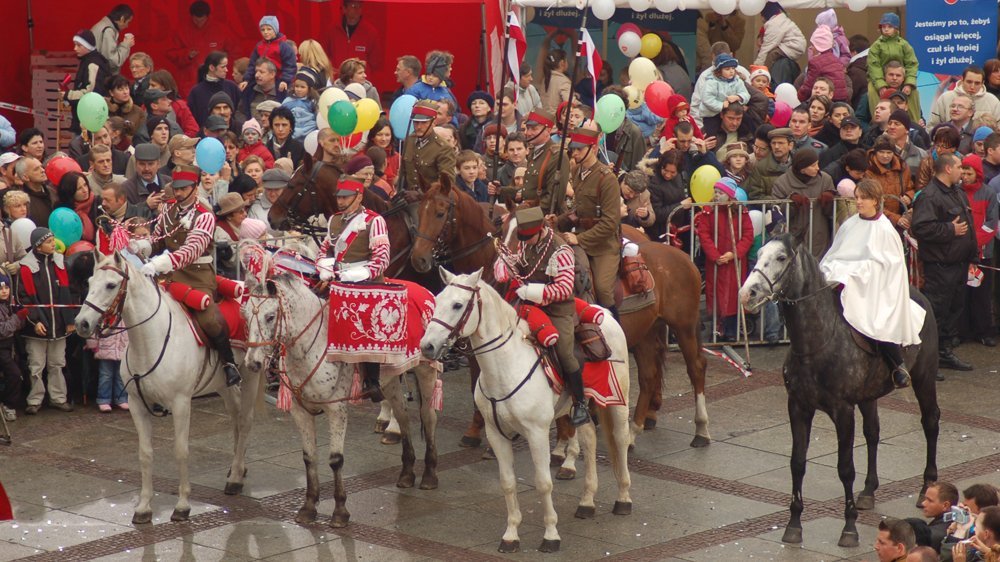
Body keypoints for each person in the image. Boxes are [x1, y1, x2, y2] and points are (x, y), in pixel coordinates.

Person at [819, 178, 926, 388]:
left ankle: (898, 364)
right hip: (844, 280)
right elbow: (836, 253)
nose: (858, 202)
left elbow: (888, 266)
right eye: (857, 197)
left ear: (876, 200)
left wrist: (854, 273)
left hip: (875, 287)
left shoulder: (884, 230)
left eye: (864, 198)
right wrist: (833, 270)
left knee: (876, 320)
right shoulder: (850, 224)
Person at [143, 166, 241, 387]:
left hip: (198, 275)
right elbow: (157, 239)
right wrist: (141, 246)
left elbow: (191, 250)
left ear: (194, 188)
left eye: (183, 189)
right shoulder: (168, 213)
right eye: (175, 189)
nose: (177, 193)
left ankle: (229, 363)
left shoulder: (205, 216)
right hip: (170, 275)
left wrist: (160, 263)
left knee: (209, 319)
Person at [494, 206, 588, 426]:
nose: (526, 242)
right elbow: (522, 264)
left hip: (557, 310)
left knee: (564, 352)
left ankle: (580, 402)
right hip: (529, 305)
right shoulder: (527, 242)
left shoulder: (561, 250)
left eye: (530, 237)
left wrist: (535, 292)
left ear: (542, 229)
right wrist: (507, 265)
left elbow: (565, 288)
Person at [316, 176, 390, 402]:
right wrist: (324, 268)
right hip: (337, 277)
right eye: (338, 197)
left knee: (367, 323)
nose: (340, 201)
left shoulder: (374, 221)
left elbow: (382, 258)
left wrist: (359, 275)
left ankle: (372, 381)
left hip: (365, 281)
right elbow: (324, 249)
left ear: (359, 197)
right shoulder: (334, 220)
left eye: (345, 197)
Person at [912, 153, 978, 372]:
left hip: (958, 264)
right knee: (936, 314)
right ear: (948, 169)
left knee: (953, 312)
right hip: (940, 266)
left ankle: (944, 352)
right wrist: (950, 229)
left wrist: (972, 256)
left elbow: (968, 224)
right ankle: (926, 360)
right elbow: (921, 228)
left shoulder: (956, 191)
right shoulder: (929, 196)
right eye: (959, 166)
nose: (963, 170)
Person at [553, 125, 621, 312]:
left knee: (603, 289)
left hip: (604, 245)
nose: (574, 153)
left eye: (579, 149)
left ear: (594, 148)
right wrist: (557, 221)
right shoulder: (576, 173)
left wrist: (579, 238)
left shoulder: (607, 179)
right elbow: (578, 210)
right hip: (580, 237)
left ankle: (614, 330)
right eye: (573, 149)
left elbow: (610, 223)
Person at [16, 228, 76, 414]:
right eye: (49, 241)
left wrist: (69, 320)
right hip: (38, 326)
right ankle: (35, 399)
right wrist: (35, 322)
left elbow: (67, 292)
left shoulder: (60, 262)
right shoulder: (26, 268)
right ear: (38, 245)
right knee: (36, 365)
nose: (53, 244)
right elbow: (24, 298)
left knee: (57, 363)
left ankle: (58, 398)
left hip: (58, 325)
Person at [696, 179, 753, 341]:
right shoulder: (708, 211)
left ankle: (732, 330)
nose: (716, 195)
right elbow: (704, 234)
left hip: (735, 262)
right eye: (715, 192)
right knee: (716, 295)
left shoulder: (741, 212)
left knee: (734, 295)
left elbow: (748, 235)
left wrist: (735, 253)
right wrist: (715, 255)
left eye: (720, 193)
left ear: (729, 196)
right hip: (716, 262)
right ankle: (717, 328)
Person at [772, 147, 836, 259]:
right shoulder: (782, 183)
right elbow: (777, 213)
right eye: (813, 165)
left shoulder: (825, 179)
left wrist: (830, 199)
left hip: (819, 232)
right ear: (802, 169)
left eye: (817, 164)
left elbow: (833, 212)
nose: (817, 168)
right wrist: (790, 202)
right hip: (794, 234)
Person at [165, 1, 235, 96]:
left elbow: (234, 53)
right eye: (195, 20)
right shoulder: (181, 30)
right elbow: (170, 53)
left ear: (207, 16)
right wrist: (187, 55)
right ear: (191, 16)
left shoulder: (221, 30)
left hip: (216, 79)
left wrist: (223, 61)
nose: (199, 24)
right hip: (189, 80)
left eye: (202, 20)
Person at [867, 12, 921, 127]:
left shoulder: (904, 45)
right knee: (871, 91)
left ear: (896, 28)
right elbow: (873, 65)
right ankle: (877, 122)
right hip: (880, 79)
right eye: (883, 26)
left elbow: (912, 64)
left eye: (890, 26)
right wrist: (880, 84)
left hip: (901, 78)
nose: (886, 29)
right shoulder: (876, 46)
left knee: (914, 92)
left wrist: (909, 83)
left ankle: (914, 124)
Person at [397, 100, 456, 192]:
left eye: (424, 123)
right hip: (408, 196)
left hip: (432, 200)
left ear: (433, 123)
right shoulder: (409, 140)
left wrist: (420, 194)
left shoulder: (443, 148)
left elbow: (447, 183)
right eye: (416, 122)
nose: (419, 126)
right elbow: (403, 173)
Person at [64, 30, 112, 133]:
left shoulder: (92, 64)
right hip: (88, 118)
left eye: (79, 45)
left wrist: (68, 95)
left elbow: (91, 94)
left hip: (90, 120)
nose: (75, 48)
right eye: (75, 45)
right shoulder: (88, 61)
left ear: (88, 46)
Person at [930, 66, 1000, 130]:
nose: (972, 86)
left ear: (982, 83)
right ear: (962, 80)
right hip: (950, 142)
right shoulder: (945, 98)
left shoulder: (993, 101)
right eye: (969, 82)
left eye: (977, 83)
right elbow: (932, 126)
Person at [753, 2, 806, 85]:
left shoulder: (774, 24)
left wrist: (756, 69)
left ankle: (764, 78)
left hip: (792, 46)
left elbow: (766, 47)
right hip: (794, 46)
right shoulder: (780, 20)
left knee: (770, 55)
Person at [187, 52, 242, 128]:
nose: (226, 70)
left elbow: (241, 111)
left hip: (231, 135)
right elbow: (192, 119)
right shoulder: (196, 92)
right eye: (223, 67)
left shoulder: (232, 87)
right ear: (212, 68)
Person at [798, 26, 850, 103]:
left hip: (826, 101)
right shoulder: (836, 60)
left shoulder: (815, 62)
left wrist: (799, 97)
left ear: (818, 46)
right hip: (842, 101)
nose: (811, 48)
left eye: (813, 45)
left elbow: (808, 86)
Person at [85, 323, 128, 412]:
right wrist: (92, 343)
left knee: (121, 375)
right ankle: (104, 399)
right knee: (105, 376)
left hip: (122, 347)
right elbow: (95, 327)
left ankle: (121, 398)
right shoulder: (106, 314)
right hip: (105, 347)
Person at [0, 272, 24, 423]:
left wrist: (20, 316)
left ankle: (8, 404)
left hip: (10, 347)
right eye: (0, 288)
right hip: (1, 347)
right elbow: (3, 330)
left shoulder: (8, 305)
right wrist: (18, 317)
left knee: (15, 375)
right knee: (14, 374)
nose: (4, 291)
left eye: (6, 287)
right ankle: (8, 405)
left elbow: (17, 327)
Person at [329, 0, 380, 70]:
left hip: (360, 79)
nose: (357, 9)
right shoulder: (332, 30)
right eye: (353, 6)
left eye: (360, 6)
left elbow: (375, 62)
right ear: (344, 9)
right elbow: (324, 56)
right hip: (338, 78)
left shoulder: (370, 32)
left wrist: (364, 66)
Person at [14, 157, 58, 228]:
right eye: (36, 169)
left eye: (42, 167)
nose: (43, 170)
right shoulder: (21, 200)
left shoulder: (53, 192)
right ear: (25, 177)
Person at [90, 4, 134, 70]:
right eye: (128, 22)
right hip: (102, 76)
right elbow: (112, 62)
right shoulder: (108, 31)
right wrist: (126, 45)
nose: (127, 26)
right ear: (122, 19)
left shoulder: (102, 25)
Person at [281, 68, 319, 142]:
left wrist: (303, 131)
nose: (299, 89)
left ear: (309, 88)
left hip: (308, 137)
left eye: (302, 87)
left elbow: (316, 121)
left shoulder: (313, 102)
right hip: (291, 136)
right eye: (297, 86)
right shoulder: (288, 101)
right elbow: (281, 117)